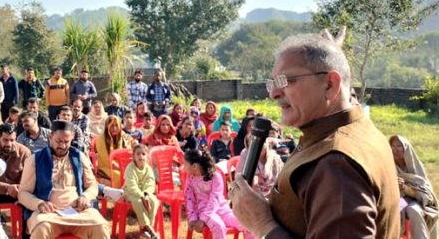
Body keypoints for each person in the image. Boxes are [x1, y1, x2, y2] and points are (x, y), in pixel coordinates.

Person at [230, 34, 400, 238]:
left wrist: (263, 225)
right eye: (272, 82)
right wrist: (334, 55)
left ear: (330, 85)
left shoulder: (336, 164)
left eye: (286, 80)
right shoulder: (356, 126)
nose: (273, 93)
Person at [18, 120, 110, 239]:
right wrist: (39, 204)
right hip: (48, 215)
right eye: (58, 141)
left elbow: (93, 185)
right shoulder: (35, 159)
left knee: (101, 227)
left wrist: (85, 197)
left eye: (66, 142)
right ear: (50, 136)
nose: (62, 145)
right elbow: (23, 193)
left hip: (78, 213)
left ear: (72, 138)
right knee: (41, 228)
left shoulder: (79, 157)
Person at [184, 150, 252, 239]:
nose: (183, 167)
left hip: (222, 210)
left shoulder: (216, 177)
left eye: (185, 164)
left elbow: (215, 199)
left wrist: (202, 220)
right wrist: (193, 219)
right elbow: (189, 200)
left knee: (247, 224)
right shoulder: (190, 179)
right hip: (204, 211)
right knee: (219, 226)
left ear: (194, 166)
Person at [390, 135, 439, 239]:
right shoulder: (389, 165)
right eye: (393, 146)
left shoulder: (416, 166)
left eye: (399, 146)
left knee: (414, 210)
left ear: (406, 148)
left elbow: (425, 193)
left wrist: (404, 187)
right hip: (399, 200)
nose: (395, 149)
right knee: (394, 211)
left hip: (417, 200)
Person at [0, 123, 32, 203]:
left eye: (12, 140)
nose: (9, 144)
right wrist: (7, 188)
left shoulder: (24, 153)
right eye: (5, 140)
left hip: (18, 195)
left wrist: (20, 193)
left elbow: (27, 180)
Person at [123, 144, 160, 239]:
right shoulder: (130, 168)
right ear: (133, 157)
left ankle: (146, 228)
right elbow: (131, 186)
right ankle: (150, 230)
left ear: (146, 156)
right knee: (138, 202)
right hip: (130, 192)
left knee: (154, 201)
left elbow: (151, 183)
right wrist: (142, 196)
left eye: (143, 154)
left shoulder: (148, 168)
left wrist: (146, 194)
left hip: (145, 193)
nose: (141, 156)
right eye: (138, 154)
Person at [96, 115, 133, 187]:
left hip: (122, 165)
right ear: (107, 126)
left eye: (116, 125)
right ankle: (117, 196)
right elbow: (106, 159)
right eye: (111, 126)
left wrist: (135, 144)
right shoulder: (101, 139)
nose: (114, 128)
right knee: (120, 176)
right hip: (107, 167)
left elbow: (131, 140)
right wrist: (121, 167)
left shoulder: (121, 134)